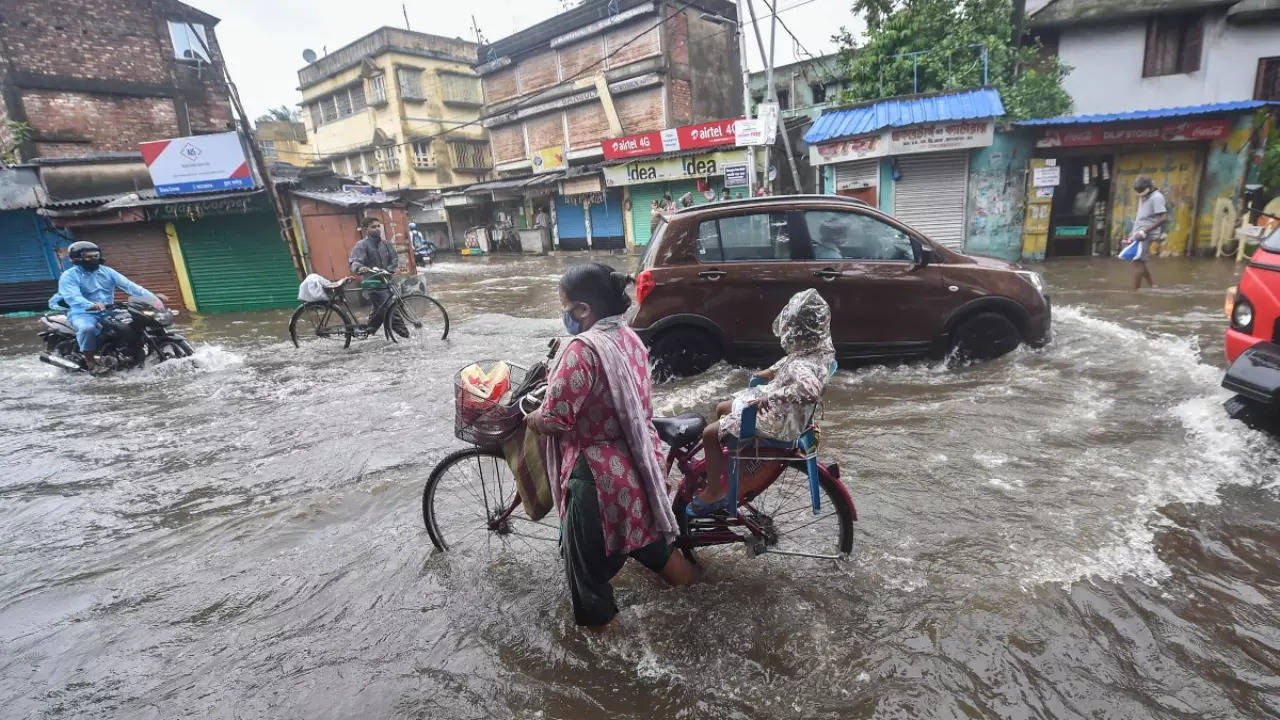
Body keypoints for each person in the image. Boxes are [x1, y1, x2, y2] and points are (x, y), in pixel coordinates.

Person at [525, 263, 700, 629]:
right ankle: (702, 605)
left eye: (566, 305)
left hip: (598, 481)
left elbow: (557, 419)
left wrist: (533, 419)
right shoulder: (629, 338)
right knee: (656, 551)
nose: (564, 314)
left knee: (589, 588)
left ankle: (615, 669)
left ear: (583, 309)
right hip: (640, 470)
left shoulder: (582, 350)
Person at [688, 289, 835, 516]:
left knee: (708, 433)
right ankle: (726, 463)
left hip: (776, 421)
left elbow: (810, 389)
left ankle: (714, 491)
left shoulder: (801, 364)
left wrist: (772, 396)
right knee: (722, 408)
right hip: (788, 417)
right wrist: (766, 373)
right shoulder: (817, 354)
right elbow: (785, 365)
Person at [55, 241, 167, 373]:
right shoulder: (69, 276)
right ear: (76, 258)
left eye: (95, 255)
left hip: (108, 310)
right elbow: (72, 296)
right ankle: (90, 362)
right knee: (87, 328)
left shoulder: (107, 271)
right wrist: (90, 305)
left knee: (134, 322)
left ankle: (132, 352)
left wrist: (153, 298)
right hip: (82, 312)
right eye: (88, 256)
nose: (93, 259)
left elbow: (130, 286)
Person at [348, 217, 404, 334]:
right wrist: (359, 267)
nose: (377, 229)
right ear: (365, 229)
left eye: (379, 226)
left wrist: (389, 270)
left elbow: (394, 259)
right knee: (390, 308)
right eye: (373, 227)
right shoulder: (362, 245)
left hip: (386, 282)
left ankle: (368, 331)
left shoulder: (386, 244)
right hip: (372, 284)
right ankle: (405, 336)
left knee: (379, 310)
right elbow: (355, 261)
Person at [1123, 176, 1167, 290]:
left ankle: (1135, 292)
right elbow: (1141, 217)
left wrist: (1144, 231)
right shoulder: (1144, 195)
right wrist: (1132, 233)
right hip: (1138, 232)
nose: (1141, 195)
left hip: (1145, 234)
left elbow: (1163, 218)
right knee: (1140, 261)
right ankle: (1152, 285)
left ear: (1149, 188)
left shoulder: (1156, 198)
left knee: (1137, 262)